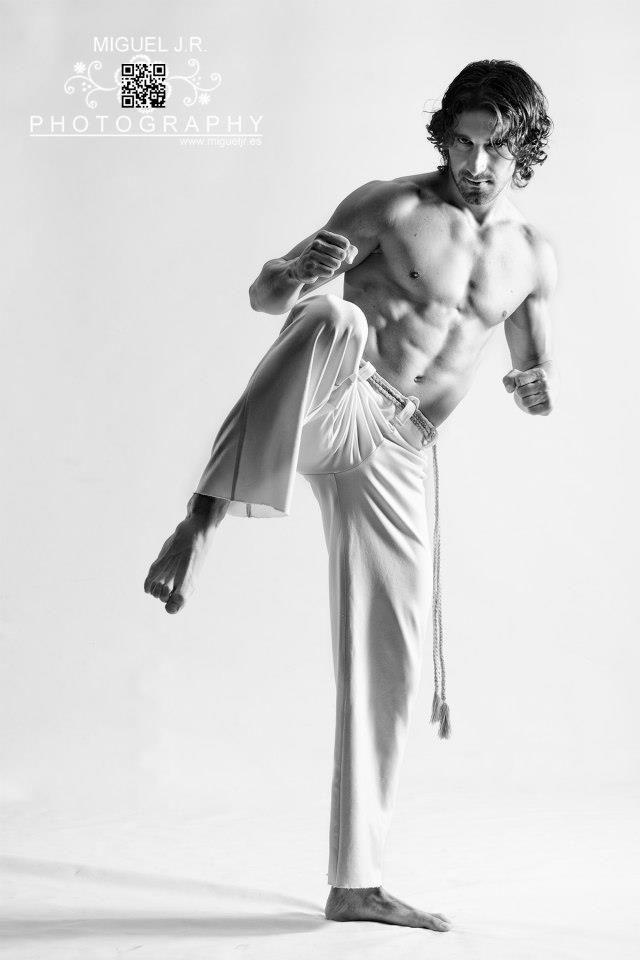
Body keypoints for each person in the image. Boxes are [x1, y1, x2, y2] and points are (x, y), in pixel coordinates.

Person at [144, 59, 556, 931]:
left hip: (403, 453)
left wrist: (536, 385)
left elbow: (531, 356)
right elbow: (267, 298)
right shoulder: (390, 206)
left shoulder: (531, 256)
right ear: (442, 138)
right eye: (461, 142)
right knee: (334, 316)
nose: (474, 163)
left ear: (526, 149)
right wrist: (299, 268)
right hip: (338, 402)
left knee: (391, 661)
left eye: (494, 147)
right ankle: (199, 521)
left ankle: (355, 881)